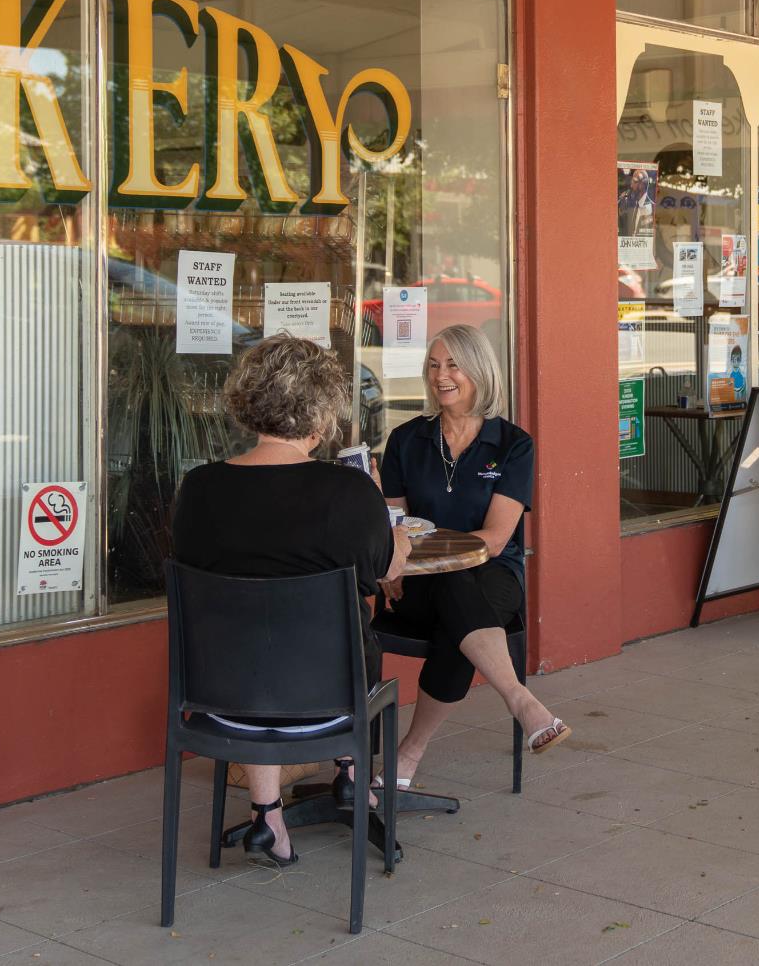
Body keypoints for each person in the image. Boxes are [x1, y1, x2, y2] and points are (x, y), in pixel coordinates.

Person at [170, 334, 410, 868]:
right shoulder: (348, 493)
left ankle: (268, 817)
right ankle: (352, 774)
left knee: (256, 648)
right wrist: (396, 533)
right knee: (356, 637)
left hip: (218, 705)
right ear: (321, 418)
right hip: (327, 711)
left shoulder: (199, 488)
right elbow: (384, 573)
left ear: (248, 404)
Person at [377, 323, 568, 787]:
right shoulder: (406, 440)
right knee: (454, 596)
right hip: (418, 582)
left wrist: (419, 553)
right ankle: (520, 700)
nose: (441, 375)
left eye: (453, 364)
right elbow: (392, 524)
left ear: (479, 369)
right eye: (434, 364)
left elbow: (498, 538)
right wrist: (390, 567)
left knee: (458, 598)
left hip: (495, 575)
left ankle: (408, 755)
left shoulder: (513, 444)